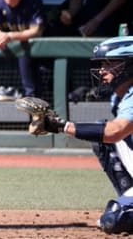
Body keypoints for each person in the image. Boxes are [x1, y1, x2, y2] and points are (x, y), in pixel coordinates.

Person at [33, 36, 133, 234]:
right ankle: (128, 196)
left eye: (109, 63)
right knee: (101, 137)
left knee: (116, 219)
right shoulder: (120, 97)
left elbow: (115, 132)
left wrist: (61, 126)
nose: (102, 70)